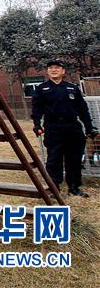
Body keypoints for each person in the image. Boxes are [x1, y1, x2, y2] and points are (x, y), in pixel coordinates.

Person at [32, 59, 98, 198]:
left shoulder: (72, 88)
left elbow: (83, 109)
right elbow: (36, 109)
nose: (53, 70)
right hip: (53, 127)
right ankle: (54, 188)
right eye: (50, 68)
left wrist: (89, 127)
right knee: (54, 159)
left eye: (57, 67)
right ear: (47, 71)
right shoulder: (42, 89)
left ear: (63, 71)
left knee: (74, 158)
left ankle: (74, 187)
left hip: (73, 127)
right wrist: (37, 124)